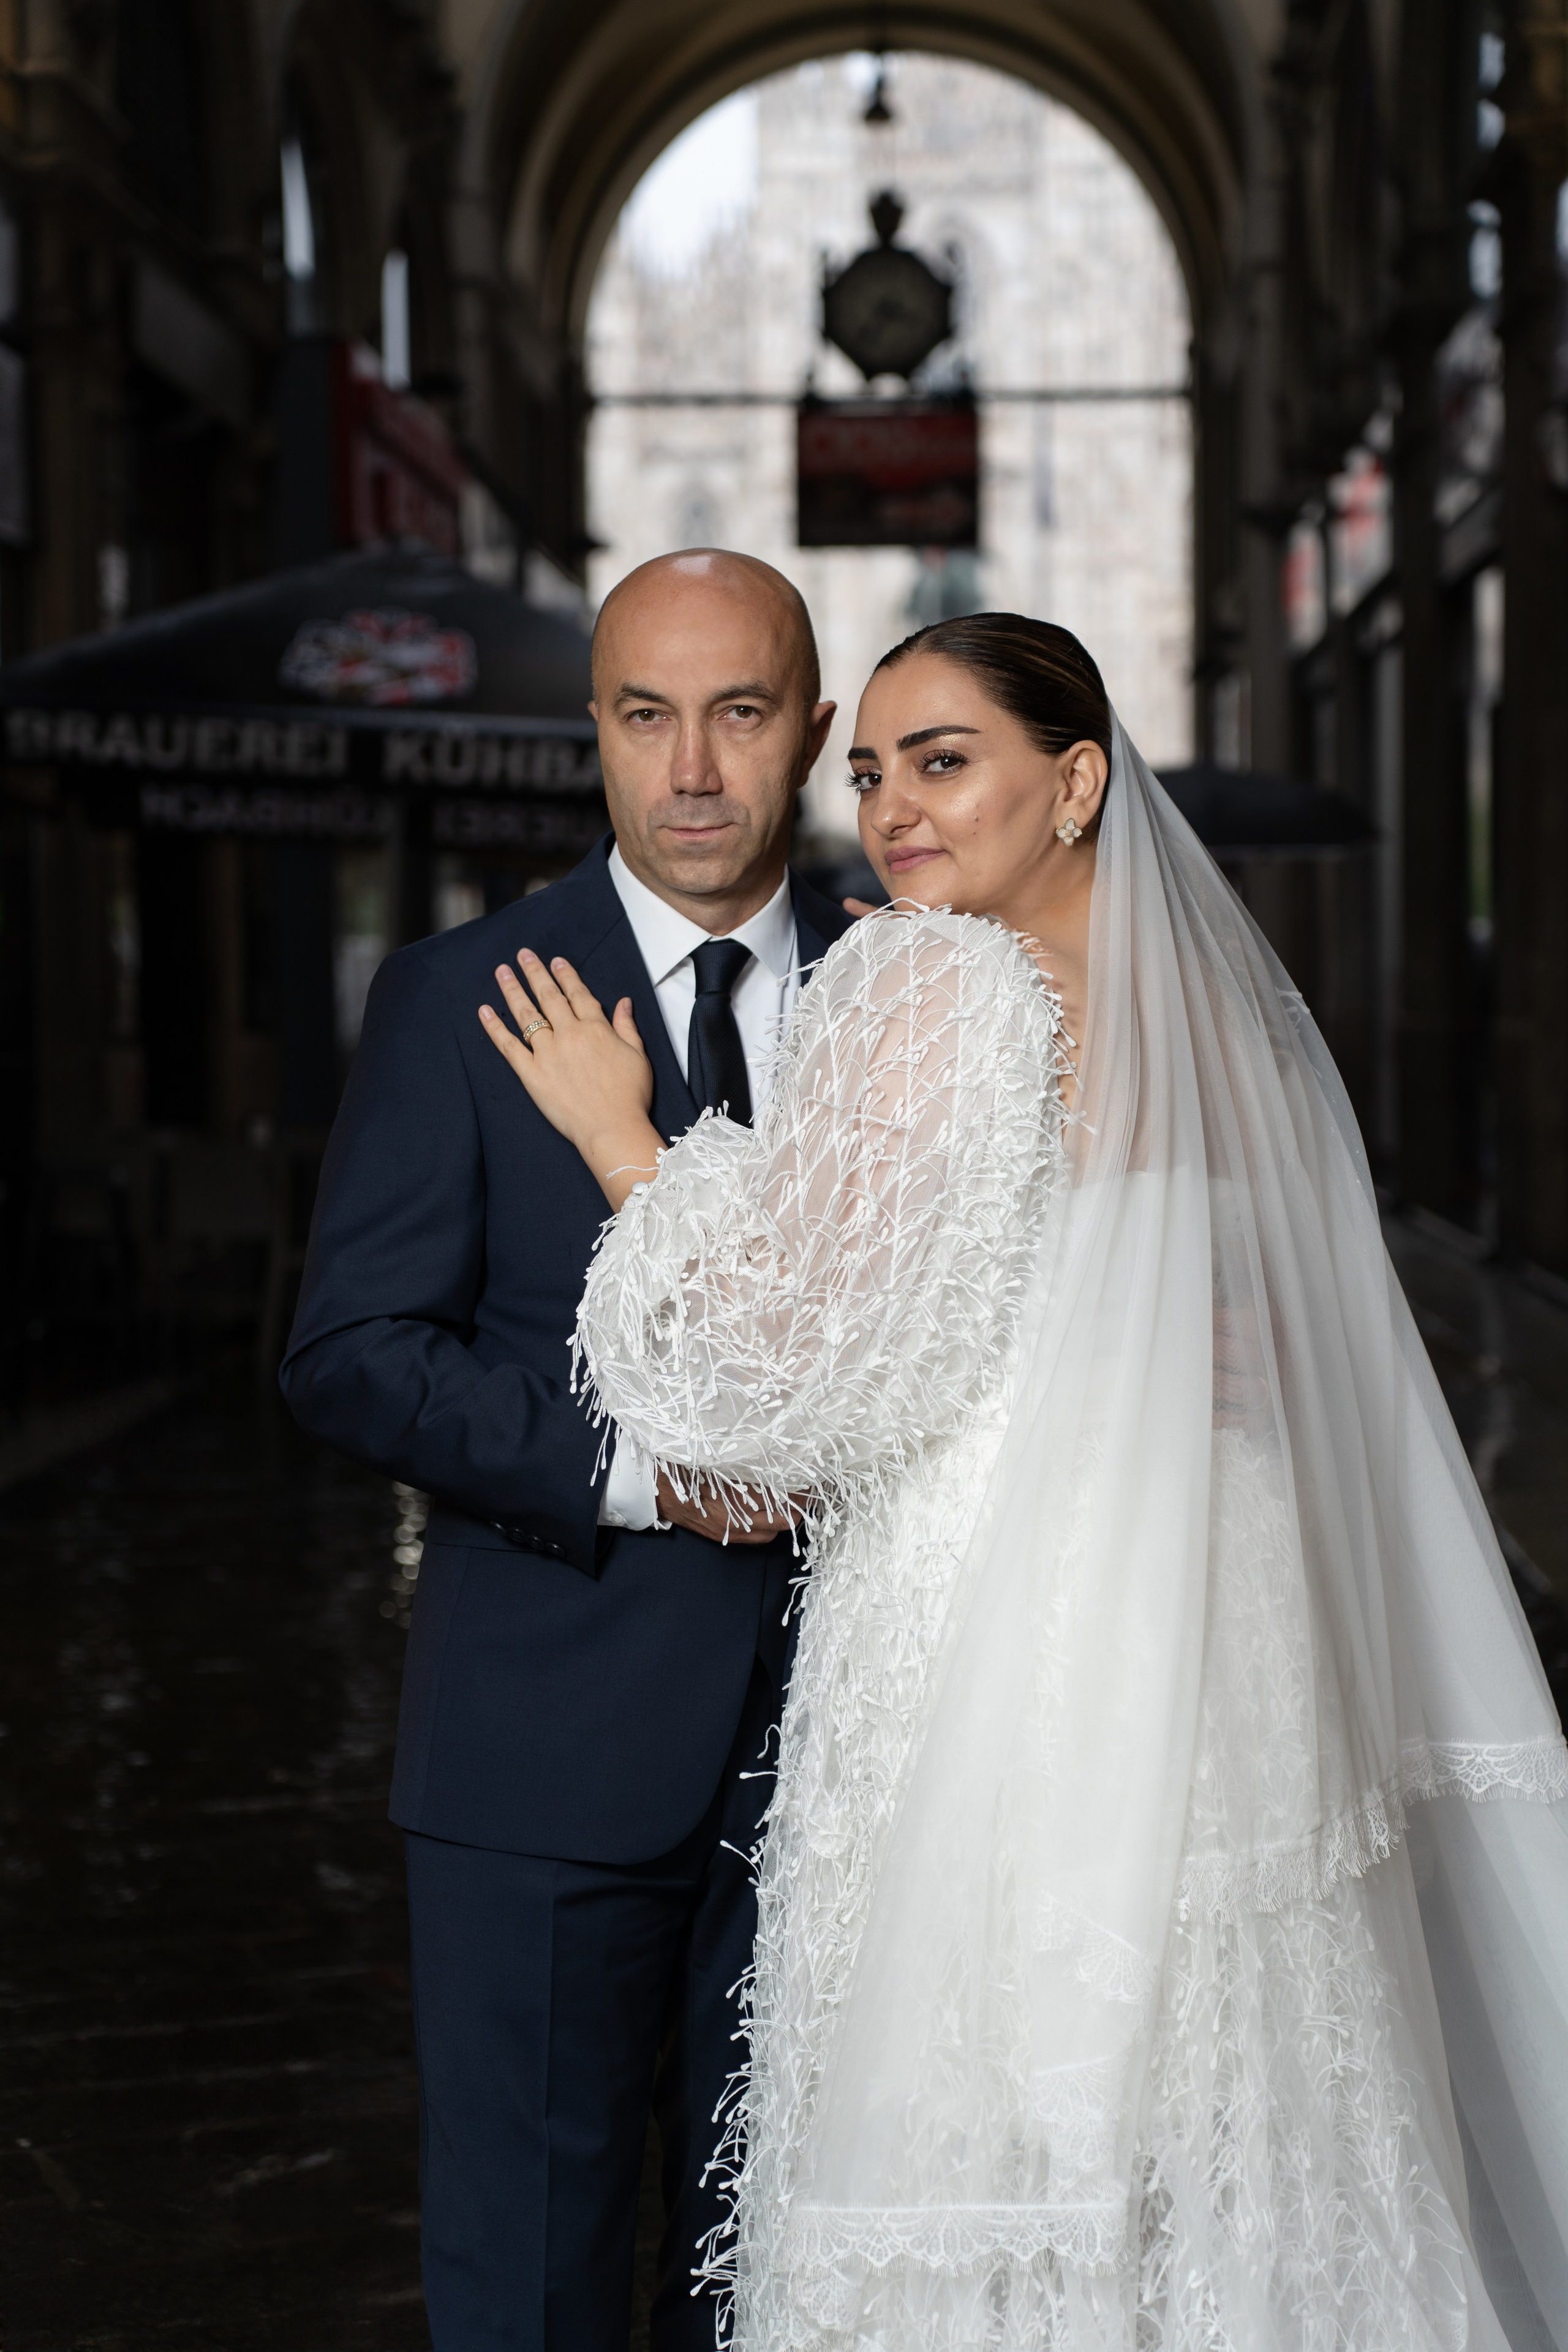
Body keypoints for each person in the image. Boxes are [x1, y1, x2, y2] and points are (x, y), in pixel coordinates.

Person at [478, 612, 1568, 2350]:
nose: (895, 809)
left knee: (987, 2103)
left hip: (1003, 1627)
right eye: (872, 771)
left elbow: (777, 1375)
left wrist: (627, 1140)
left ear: (1075, 781)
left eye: (942, 759)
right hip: (1216, 1606)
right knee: (1218, 2103)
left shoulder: (935, 977)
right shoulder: (1211, 1006)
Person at [279, 550, 852, 2351]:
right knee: (526, 2287)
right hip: (539, 1758)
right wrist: (632, 1474)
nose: (692, 770)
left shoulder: (912, 1005)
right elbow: (353, 1354)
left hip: (855, 1780)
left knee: (780, 2292)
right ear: (592, 733)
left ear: (813, 734)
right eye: (646, 716)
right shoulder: (465, 994)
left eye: (740, 714)